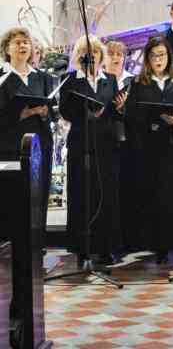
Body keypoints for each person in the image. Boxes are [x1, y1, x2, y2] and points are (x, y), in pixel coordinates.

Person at [124, 36, 173, 263]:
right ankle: (161, 247)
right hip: (154, 145)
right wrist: (153, 122)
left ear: (169, 56)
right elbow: (133, 113)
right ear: (147, 59)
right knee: (158, 196)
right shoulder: (139, 82)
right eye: (153, 55)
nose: (158, 59)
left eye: (162, 55)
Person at [60, 36, 125, 264]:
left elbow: (115, 113)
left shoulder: (110, 79)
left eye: (95, 52)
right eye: (86, 53)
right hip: (81, 143)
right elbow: (65, 111)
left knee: (106, 195)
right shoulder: (70, 80)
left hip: (106, 144)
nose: (92, 56)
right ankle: (82, 249)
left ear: (100, 56)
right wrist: (85, 112)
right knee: (82, 195)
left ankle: (106, 247)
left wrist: (120, 108)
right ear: (80, 57)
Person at [0, 27, 55, 234]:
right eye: (17, 42)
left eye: (26, 42)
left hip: (39, 145)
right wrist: (19, 115)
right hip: (10, 146)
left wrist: (45, 113)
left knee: (38, 196)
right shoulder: (2, 77)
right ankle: (11, 242)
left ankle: (37, 241)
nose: (23, 45)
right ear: (7, 49)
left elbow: (54, 113)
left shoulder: (42, 78)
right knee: (13, 198)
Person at [103, 40, 137, 250]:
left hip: (130, 140)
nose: (116, 58)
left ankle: (129, 237)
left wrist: (125, 109)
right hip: (106, 140)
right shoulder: (100, 81)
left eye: (120, 54)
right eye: (111, 54)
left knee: (128, 188)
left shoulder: (132, 81)